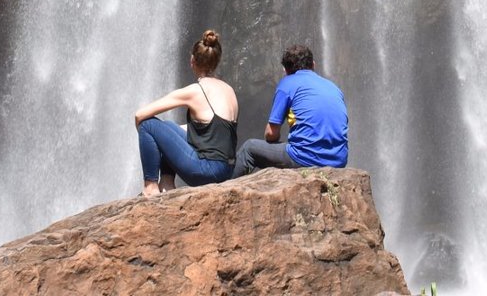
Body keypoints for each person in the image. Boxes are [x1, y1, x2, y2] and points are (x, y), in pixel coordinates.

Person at [134, 29, 238, 195]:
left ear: (192, 61)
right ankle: (167, 183)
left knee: (148, 125)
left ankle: (150, 187)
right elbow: (212, 133)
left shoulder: (195, 91)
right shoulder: (229, 90)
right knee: (168, 126)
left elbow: (139, 115)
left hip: (207, 171)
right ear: (216, 61)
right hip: (227, 170)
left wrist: (147, 140)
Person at [231, 43, 348, 177]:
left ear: (286, 70)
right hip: (339, 160)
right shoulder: (333, 87)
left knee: (249, 148)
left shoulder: (287, 83)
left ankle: (223, 191)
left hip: (307, 158)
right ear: (313, 65)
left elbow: (271, 133)